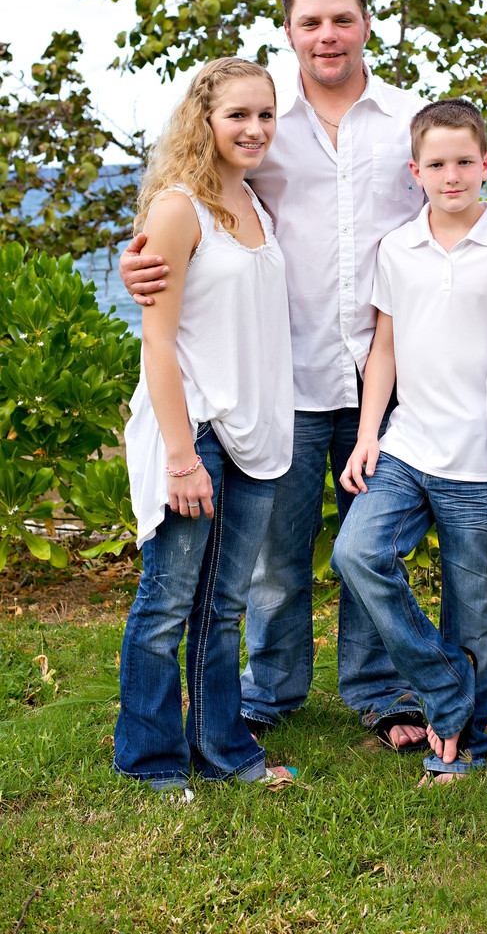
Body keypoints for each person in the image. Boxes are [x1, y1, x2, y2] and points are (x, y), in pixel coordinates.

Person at [119, 0, 429, 752]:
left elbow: (450, 218)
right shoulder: (261, 120)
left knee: (369, 550)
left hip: (384, 373)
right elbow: (192, 222)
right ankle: (272, 689)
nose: (328, 35)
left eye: (343, 20)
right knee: (275, 562)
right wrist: (142, 264)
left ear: (367, 23)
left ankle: (376, 690)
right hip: (279, 379)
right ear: (290, 31)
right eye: (311, 22)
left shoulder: (409, 122)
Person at [332, 99, 487, 782]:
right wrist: (367, 436)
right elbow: (383, 348)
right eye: (437, 164)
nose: (452, 176)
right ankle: (444, 685)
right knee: (356, 554)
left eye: (464, 162)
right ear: (415, 170)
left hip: (481, 462)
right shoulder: (398, 247)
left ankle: (468, 742)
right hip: (408, 447)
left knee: (475, 608)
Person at [114, 57, 294, 794]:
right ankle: (151, 759)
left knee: (223, 606)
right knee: (166, 602)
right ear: (205, 120)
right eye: (238, 116)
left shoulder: (256, 204)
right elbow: (159, 342)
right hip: (193, 432)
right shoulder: (177, 207)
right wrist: (183, 458)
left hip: (254, 433)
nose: (254, 129)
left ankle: (225, 750)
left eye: (265, 115)